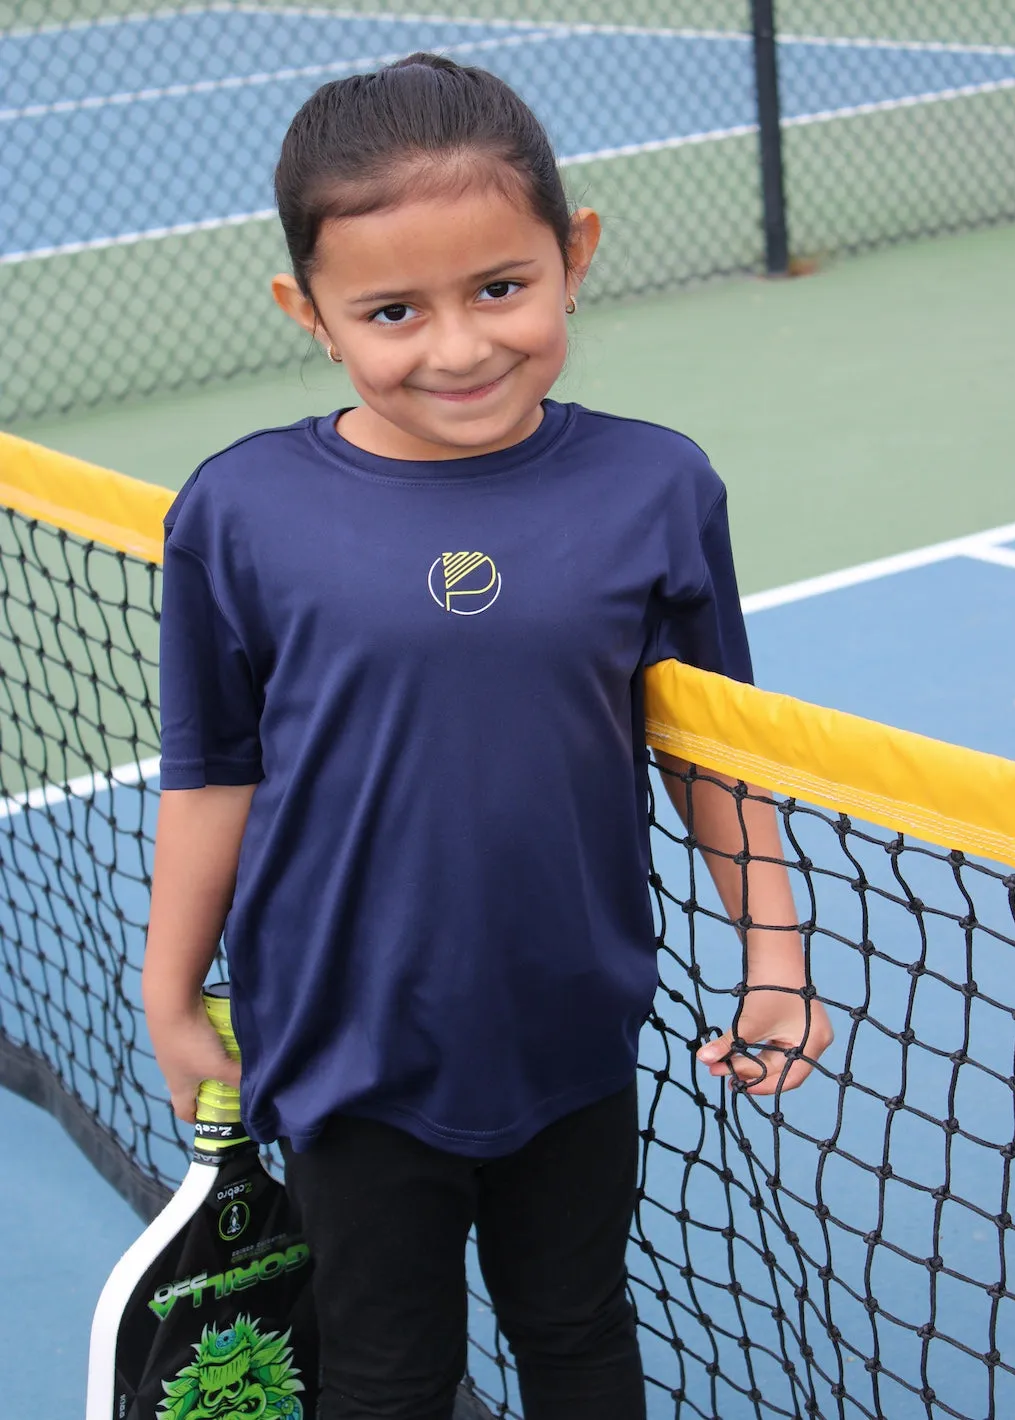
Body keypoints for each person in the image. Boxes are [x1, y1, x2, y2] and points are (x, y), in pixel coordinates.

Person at [143, 52, 833, 1420]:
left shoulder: (659, 486)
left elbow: (711, 754)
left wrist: (778, 951)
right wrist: (172, 994)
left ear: (572, 256)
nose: (458, 347)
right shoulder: (239, 510)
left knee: (578, 1330)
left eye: (500, 288)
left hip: (571, 1031)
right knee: (388, 1370)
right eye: (394, 310)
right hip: (346, 1047)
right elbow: (211, 771)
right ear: (310, 313)